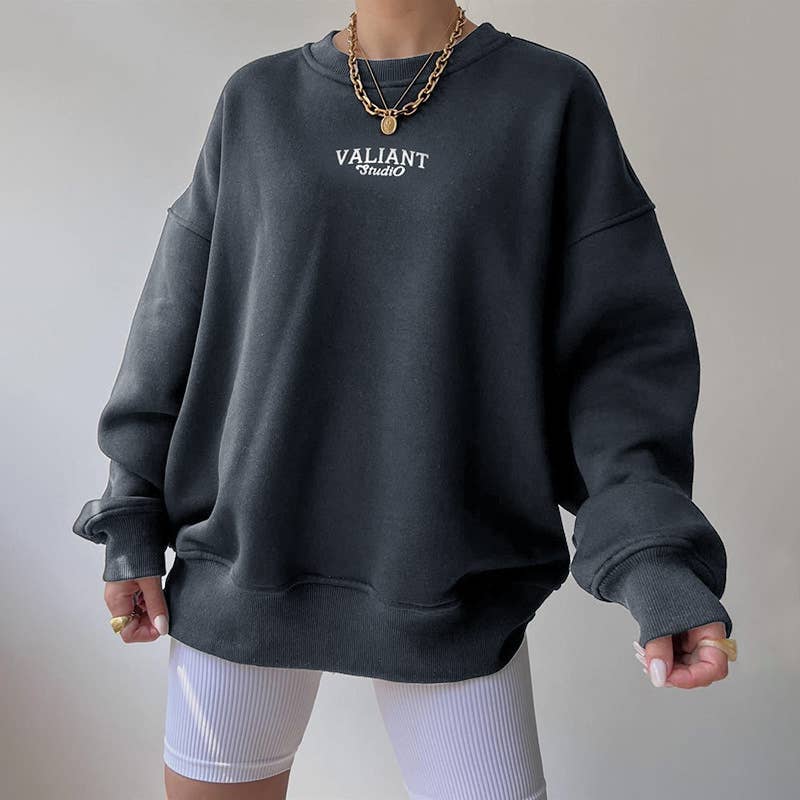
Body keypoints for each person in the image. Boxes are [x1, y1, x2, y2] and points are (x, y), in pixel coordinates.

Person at [72, 2, 737, 798]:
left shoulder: (549, 99)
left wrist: (655, 562)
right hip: (238, 576)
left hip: (452, 592)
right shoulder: (257, 100)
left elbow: (619, 362)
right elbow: (171, 320)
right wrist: (131, 517)